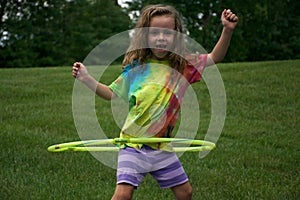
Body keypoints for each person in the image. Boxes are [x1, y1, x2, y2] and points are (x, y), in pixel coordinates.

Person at [72, 4, 238, 200]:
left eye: (167, 33)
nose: (161, 38)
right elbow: (111, 93)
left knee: (186, 193)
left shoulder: (184, 66)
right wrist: (87, 79)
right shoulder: (137, 68)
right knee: (123, 195)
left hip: (162, 146)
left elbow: (214, 57)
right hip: (133, 145)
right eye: (154, 33)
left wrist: (227, 30)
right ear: (145, 36)